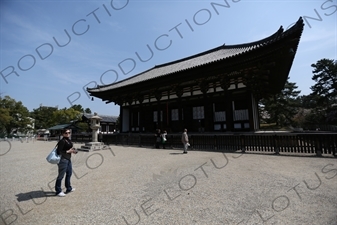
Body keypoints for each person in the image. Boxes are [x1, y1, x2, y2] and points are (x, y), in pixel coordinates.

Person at [55, 129, 77, 197]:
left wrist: (73, 151)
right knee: (61, 175)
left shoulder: (68, 140)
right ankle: (58, 191)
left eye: (69, 132)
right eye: (66, 133)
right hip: (63, 160)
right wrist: (68, 151)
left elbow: (70, 148)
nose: (67, 134)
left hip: (68, 159)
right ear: (62, 134)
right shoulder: (62, 141)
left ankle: (68, 188)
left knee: (69, 173)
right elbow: (59, 151)